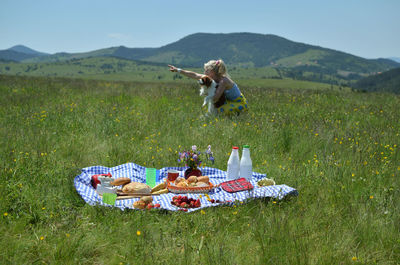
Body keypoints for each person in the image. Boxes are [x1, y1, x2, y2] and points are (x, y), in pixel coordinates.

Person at [168, 59, 248, 115]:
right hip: (229, 102)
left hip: (239, 103)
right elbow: (194, 75)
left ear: (212, 71)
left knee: (220, 110)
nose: (204, 72)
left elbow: (215, 98)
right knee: (216, 109)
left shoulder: (223, 81)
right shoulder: (211, 78)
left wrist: (206, 93)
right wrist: (177, 70)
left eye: (206, 70)